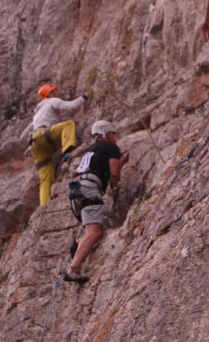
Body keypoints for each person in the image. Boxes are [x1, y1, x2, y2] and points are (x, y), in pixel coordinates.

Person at [63, 120, 128, 284]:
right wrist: (116, 191)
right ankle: (73, 269)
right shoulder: (111, 147)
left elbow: (99, 167)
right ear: (106, 133)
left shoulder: (90, 150)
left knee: (89, 228)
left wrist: (121, 163)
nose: (116, 137)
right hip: (90, 189)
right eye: (113, 134)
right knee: (95, 231)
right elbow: (113, 174)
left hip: (76, 189)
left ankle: (78, 244)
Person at [20, 84, 87, 206]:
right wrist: (85, 97)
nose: (57, 93)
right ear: (48, 95)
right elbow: (71, 106)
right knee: (69, 124)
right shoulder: (51, 101)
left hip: (35, 143)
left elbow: (23, 136)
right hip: (44, 135)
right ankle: (67, 151)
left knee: (46, 180)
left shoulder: (37, 114)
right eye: (54, 92)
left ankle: (44, 207)